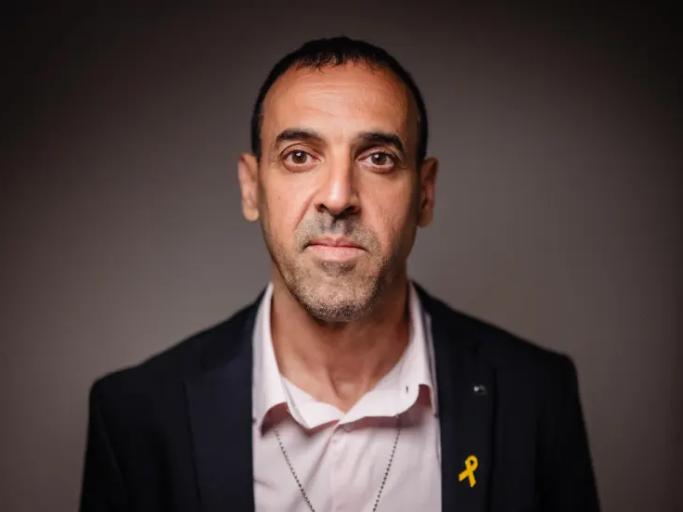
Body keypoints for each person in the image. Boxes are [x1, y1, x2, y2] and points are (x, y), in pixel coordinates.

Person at [80, 36, 600, 512]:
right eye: (299, 156)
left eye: (378, 159)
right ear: (251, 187)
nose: (337, 196)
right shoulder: (136, 416)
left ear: (424, 194)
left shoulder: (535, 395)